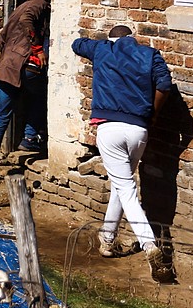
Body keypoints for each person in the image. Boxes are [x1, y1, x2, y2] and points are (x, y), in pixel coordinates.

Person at [72, 24, 176, 283]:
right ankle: (107, 240)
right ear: (133, 39)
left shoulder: (102, 49)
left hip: (110, 129)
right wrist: (152, 114)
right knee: (122, 184)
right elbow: (164, 84)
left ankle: (150, 246)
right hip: (139, 129)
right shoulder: (150, 54)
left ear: (112, 39)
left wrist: (100, 45)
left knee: (127, 189)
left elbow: (76, 44)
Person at [0, 0, 50, 183]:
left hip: (6, 68)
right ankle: (29, 139)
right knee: (42, 96)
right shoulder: (38, 5)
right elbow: (27, 20)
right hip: (24, 66)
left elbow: (0, 42)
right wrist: (37, 49)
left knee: (2, 118)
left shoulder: (18, 8)